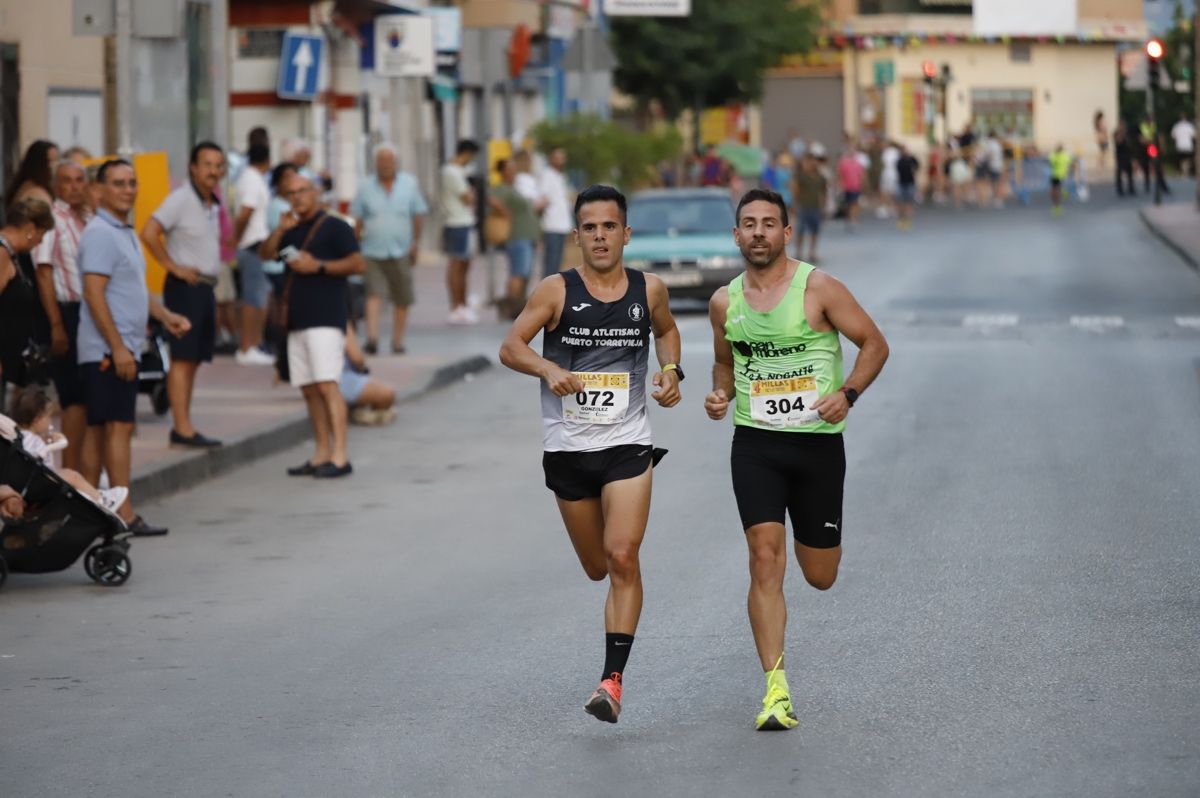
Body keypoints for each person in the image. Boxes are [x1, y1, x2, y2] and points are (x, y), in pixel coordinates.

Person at [704, 188, 889, 731]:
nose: (758, 232)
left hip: (817, 447)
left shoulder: (820, 288)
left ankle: (818, 558)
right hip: (756, 445)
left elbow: (874, 343)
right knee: (764, 557)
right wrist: (721, 395)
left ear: (787, 233)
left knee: (820, 575)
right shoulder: (724, 302)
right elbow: (723, 362)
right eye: (748, 224)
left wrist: (848, 394)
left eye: (769, 223)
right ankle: (775, 690)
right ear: (736, 236)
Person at [498, 184, 682, 725]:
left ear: (626, 233)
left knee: (623, 556)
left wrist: (671, 371)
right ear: (577, 235)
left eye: (609, 227)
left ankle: (612, 681)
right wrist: (547, 367)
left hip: (627, 444)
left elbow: (667, 332)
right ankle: (608, 611)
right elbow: (512, 346)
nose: (600, 236)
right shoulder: (556, 290)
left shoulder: (649, 290)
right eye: (590, 227)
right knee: (597, 566)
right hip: (568, 451)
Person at [77, 158, 191, 535]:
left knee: (102, 428)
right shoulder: (100, 233)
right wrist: (118, 349)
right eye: (118, 183)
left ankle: (92, 511)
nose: (127, 189)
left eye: (131, 182)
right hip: (109, 351)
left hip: (120, 346)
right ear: (100, 189)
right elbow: (94, 294)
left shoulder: (122, 231)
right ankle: (123, 513)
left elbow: (131, 291)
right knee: (117, 428)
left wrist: (164, 314)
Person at [260, 171, 364, 479]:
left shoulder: (334, 226)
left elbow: (358, 264)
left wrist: (317, 266)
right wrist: (279, 232)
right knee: (308, 388)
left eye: (303, 191)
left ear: (316, 192)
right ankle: (321, 453)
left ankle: (340, 455)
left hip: (326, 318)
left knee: (327, 385)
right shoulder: (291, 229)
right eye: (291, 193)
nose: (297, 198)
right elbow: (266, 254)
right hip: (296, 320)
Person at [140, 141, 226, 449]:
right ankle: (182, 427)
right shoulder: (181, 199)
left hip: (204, 286)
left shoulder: (211, 203)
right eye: (207, 164)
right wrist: (171, 266)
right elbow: (149, 231)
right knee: (183, 358)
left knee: (194, 359)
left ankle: (185, 423)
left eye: (218, 165)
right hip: (186, 287)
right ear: (193, 167)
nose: (213, 171)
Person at [32, 160, 92, 471]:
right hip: (67, 312)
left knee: (88, 397)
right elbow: (44, 272)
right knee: (74, 398)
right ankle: (69, 475)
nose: (74, 186)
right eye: (67, 181)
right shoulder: (53, 220)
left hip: (91, 313)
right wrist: (56, 325)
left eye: (80, 180)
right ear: (57, 187)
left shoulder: (90, 219)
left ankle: (84, 469)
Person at [351, 143, 428, 355]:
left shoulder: (409, 184)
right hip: (371, 250)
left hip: (401, 249)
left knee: (402, 297)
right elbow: (358, 218)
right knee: (373, 294)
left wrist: (415, 243)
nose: (385, 165)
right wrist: (354, 248)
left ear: (396, 163)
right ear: (376, 164)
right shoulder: (365, 186)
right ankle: (373, 339)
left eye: (389, 161)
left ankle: (397, 341)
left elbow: (417, 215)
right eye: (381, 161)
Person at [7, 389, 127, 513]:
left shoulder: (20, 436)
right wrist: (53, 443)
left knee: (68, 477)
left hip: (30, 482)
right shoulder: (32, 439)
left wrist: (43, 441)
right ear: (37, 420)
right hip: (38, 481)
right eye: (48, 417)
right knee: (72, 476)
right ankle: (101, 500)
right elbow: (33, 456)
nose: (50, 421)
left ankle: (93, 498)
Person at [0, 200, 55, 393]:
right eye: (41, 235)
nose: (39, 242)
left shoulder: (12, 255)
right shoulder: (2, 255)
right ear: (31, 229)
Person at [232, 142, 275, 365]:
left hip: (257, 243)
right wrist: (236, 239)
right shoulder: (250, 179)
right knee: (251, 298)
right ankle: (247, 347)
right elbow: (246, 212)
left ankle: (255, 344)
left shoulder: (254, 177)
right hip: (250, 243)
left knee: (259, 296)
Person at [489, 158, 540, 319]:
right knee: (518, 272)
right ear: (503, 171)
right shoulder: (502, 188)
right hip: (518, 236)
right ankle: (509, 309)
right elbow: (491, 199)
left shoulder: (514, 188)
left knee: (523, 273)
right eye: (509, 169)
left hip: (526, 236)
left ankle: (518, 306)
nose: (513, 172)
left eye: (514, 168)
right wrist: (505, 213)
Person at [440, 139, 480, 324]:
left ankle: (462, 304)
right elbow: (468, 197)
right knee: (456, 265)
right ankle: (456, 307)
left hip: (464, 222)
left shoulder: (457, 171)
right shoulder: (452, 172)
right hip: (456, 222)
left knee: (465, 265)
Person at [341, 327, 397, 426]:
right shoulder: (336, 316)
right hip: (338, 380)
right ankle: (355, 410)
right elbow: (358, 359)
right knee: (386, 394)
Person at [539, 147, 573, 274]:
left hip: (562, 225)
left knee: (557, 262)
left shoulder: (561, 176)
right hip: (552, 225)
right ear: (551, 159)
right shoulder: (547, 175)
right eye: (558, 158)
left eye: (563, 158)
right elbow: (543, 198)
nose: (561, 161)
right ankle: (546, 291)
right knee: (551, 263)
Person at [791, 154, 825, 263]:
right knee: (801, 231)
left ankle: (812, 253)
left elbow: (823, 193)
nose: (812, 164)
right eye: (810, 161)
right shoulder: (801, 176)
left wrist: (823, 207)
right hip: (803, 207)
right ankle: (799, 252)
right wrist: (795, 205)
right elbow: (795, 191)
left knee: (814, 231)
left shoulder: (821, 177)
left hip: (815, 207)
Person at [4, 140, 57, 208]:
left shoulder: (28, 186)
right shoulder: (35, 193)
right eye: (50, 161)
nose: (54, 166)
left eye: (56, 160)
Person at [835, 147, 865, 230]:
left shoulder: (857, 163)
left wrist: (862, 184)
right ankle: (850, 218)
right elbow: (839, 174)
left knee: (854, 203)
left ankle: (852, 218)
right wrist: (839, 184)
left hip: (855, 186)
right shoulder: (843, 163)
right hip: (846, 186)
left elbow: (861, 175)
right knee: (849, 203)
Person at [895, 144, 919, 230]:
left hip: (910, 183)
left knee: (909, 202)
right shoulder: (899, 160)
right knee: (901, 202)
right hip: (901, 183)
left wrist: (914, 171)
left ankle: (907, 220)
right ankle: (901, 219)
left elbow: (917, 167)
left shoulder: (912, 159)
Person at [1048, 143, 1074, 217]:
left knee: (1055, 192)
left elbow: (1050, 162)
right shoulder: (1062, 155)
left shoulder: (1059, 155)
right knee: (1054, 191)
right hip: (1057, 175)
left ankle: (1057, 207)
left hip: (1058, 175)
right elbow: (1071, 163)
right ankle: (1063, 192)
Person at [1114, 120, 1136, 197]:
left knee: (1130, 173)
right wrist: (1121, 133)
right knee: (1119, 173)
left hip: (1127, 155)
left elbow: (1130, 144)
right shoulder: (1116, 133)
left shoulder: (1128, 134)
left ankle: (1131, 188)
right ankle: (1120, 189)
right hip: (1120, 156)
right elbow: (1118, 141)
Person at [1170, 113, 1195, 177]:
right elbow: (1194, 136)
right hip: (1188, 145)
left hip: (1179, 145)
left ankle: (1184, 171)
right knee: (1187, 159)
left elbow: (1173, 136)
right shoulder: (1190, 126)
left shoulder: (1176, 126)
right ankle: (1186, 171)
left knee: (1181, 159)